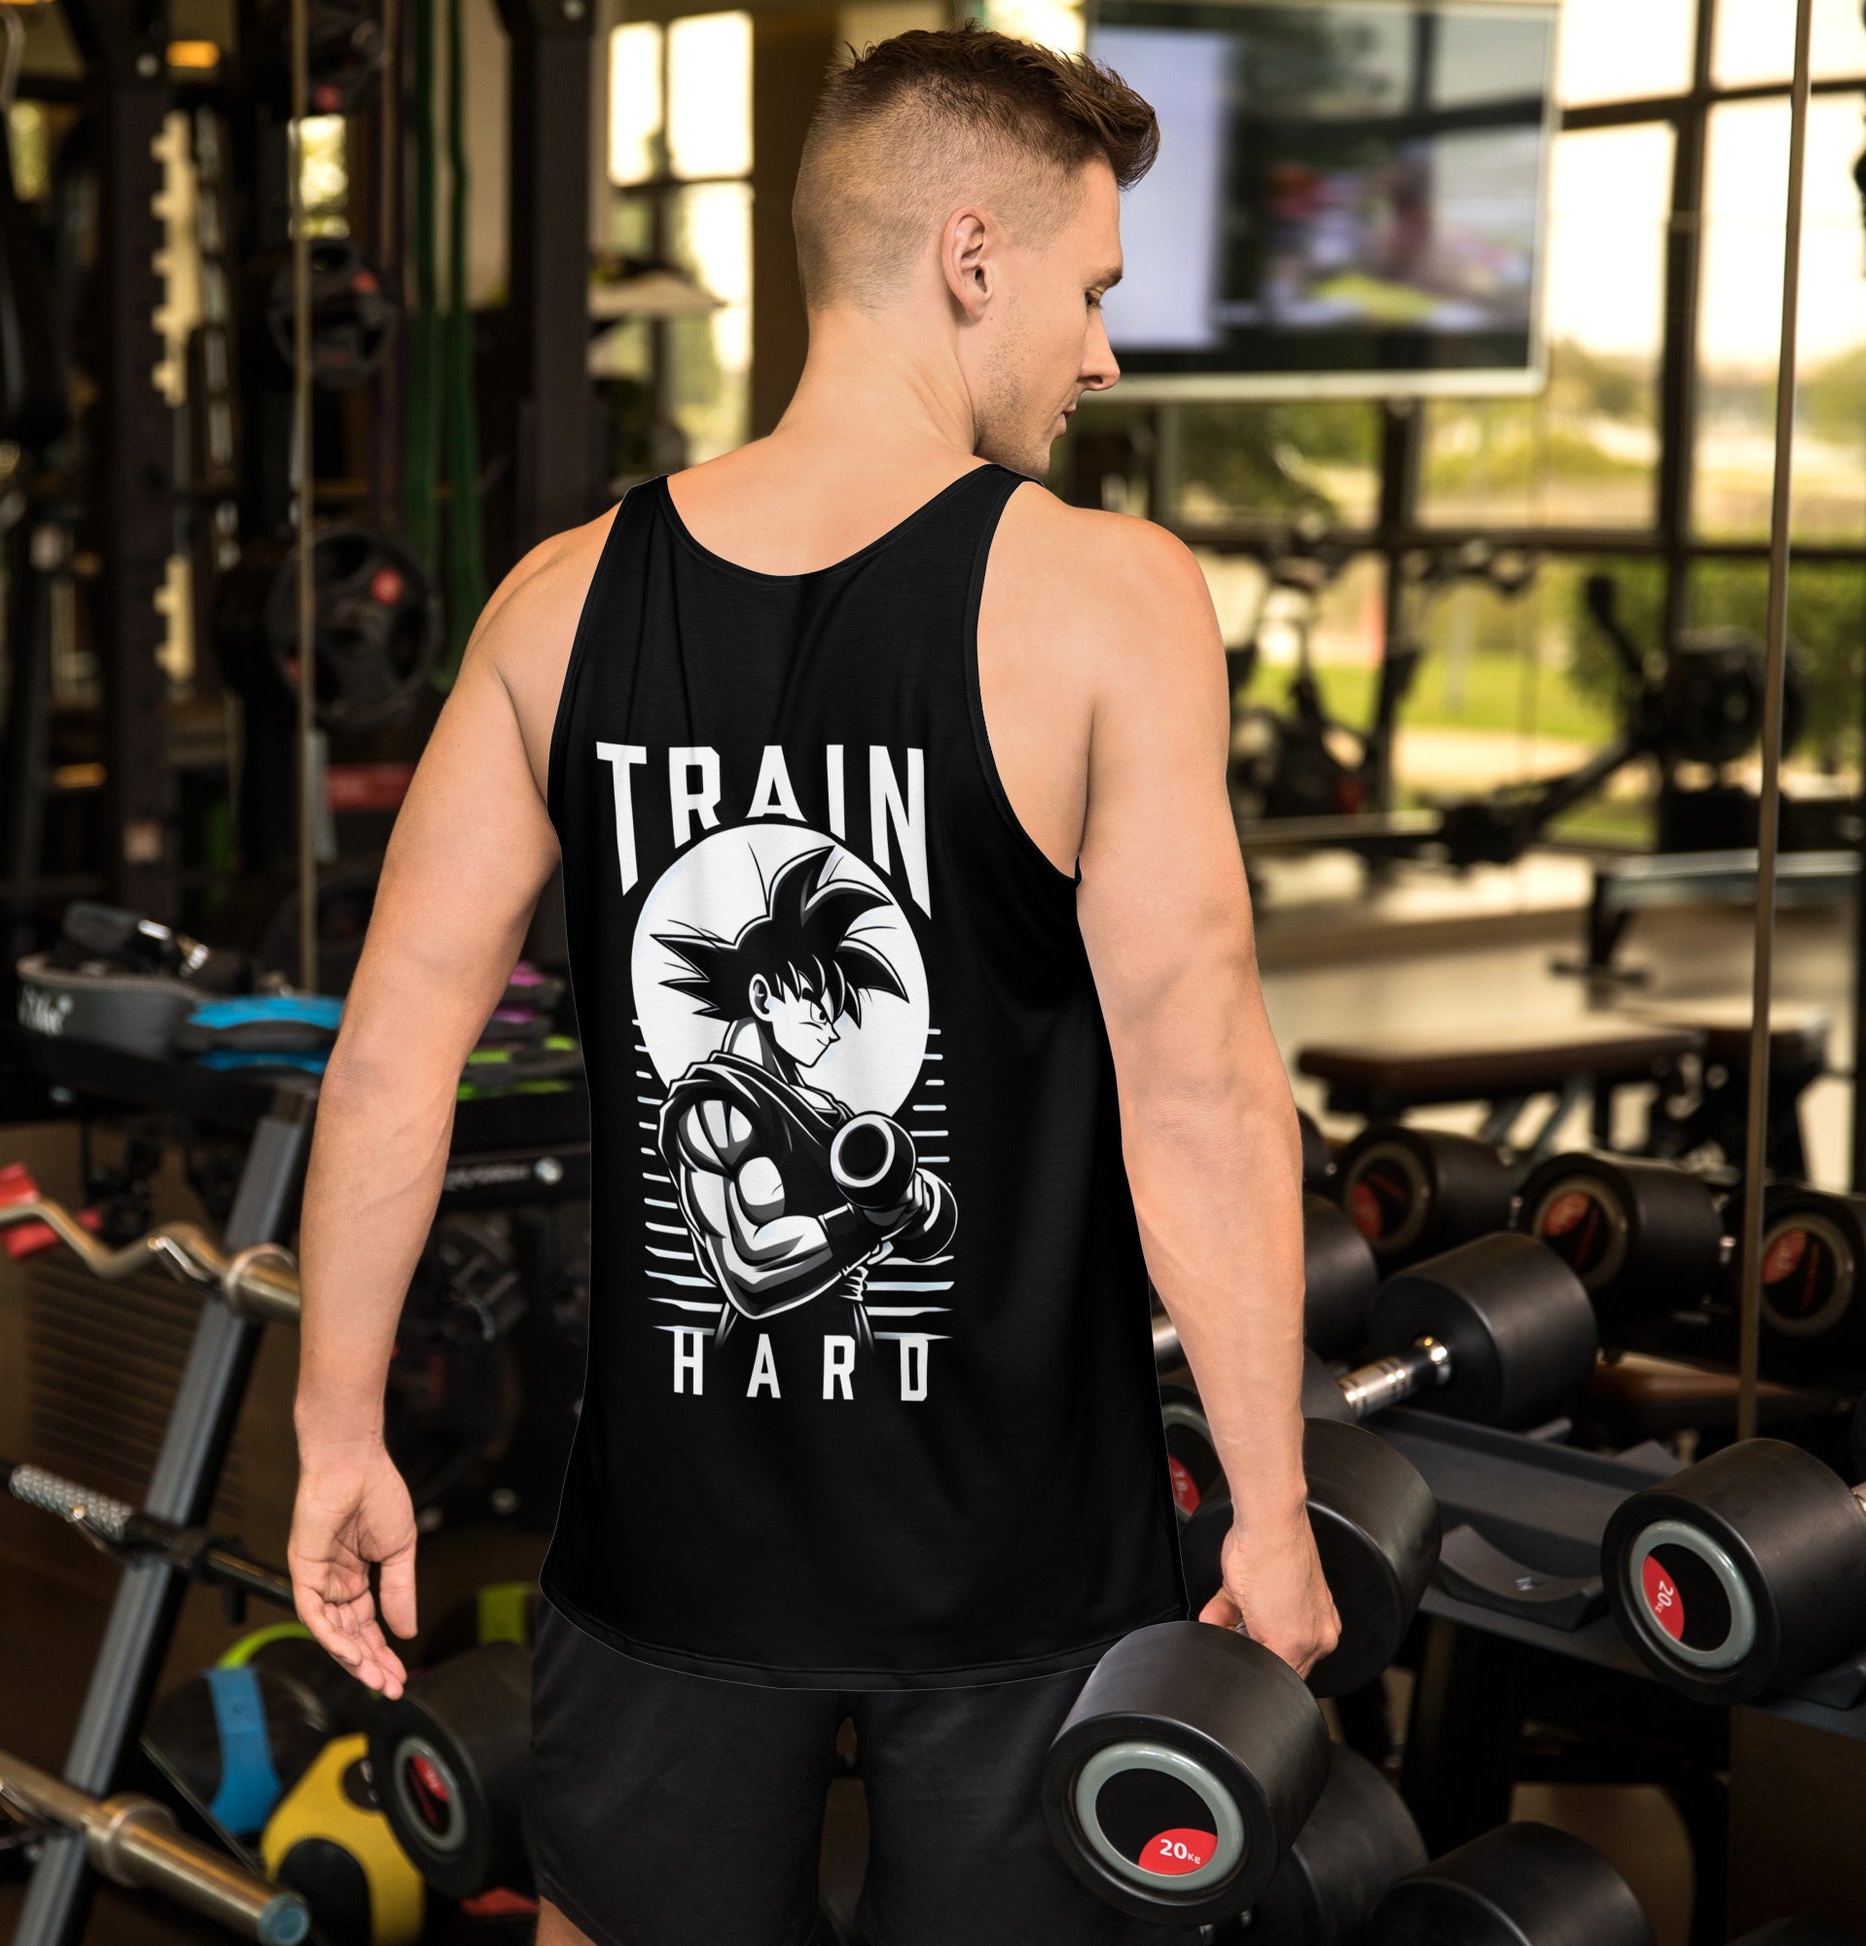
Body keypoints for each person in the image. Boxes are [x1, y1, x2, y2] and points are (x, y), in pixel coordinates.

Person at [287, 23, 1337, 1946]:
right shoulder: (1112, 601)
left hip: (668, 1572)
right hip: (1019, 1581)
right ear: (970, 255)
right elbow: (1199, 1095)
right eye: (1090, 292)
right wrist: (1266, 1515)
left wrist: (338, 1434)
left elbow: (388, 1058)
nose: (1100, 354)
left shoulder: (555, 600)